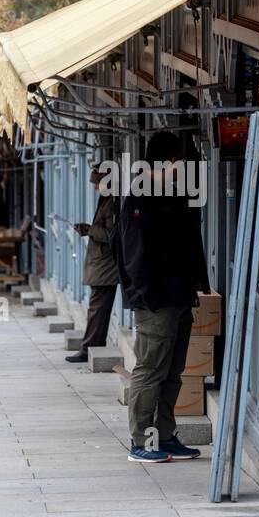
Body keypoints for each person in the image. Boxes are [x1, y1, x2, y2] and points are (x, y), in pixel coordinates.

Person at [110, 132, 210, 465]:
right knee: (150, 370)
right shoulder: (139, 198)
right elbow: (131, 255)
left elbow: (188, 242)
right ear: (168, 161)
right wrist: (148, 297)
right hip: (156, 303)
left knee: (173, 372)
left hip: (180, 297)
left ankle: (165, 435)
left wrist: (196, 286)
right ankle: (141, 440)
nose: (182, 166)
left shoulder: (175, 193)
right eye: (179, 160)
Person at [67, 165, 119, 363]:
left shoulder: (112, 202)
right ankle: (91, 346)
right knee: (98, 308)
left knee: (97, 308)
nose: (96, 187)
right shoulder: (106, 199)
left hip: (105, 265)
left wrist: (89, 229)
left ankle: (89, 348)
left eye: (98, 183)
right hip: (101, 263)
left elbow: (111, 234)